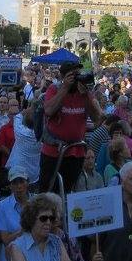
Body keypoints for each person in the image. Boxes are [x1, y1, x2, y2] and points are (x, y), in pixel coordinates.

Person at [39, 62, 102, 194]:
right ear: (63, 76)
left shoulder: (84, 92)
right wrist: (65, 88)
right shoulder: (54, 89)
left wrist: (86, 95)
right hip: (54, 151)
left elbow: (97, 118)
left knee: (68, 189)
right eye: (73, 75)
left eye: (78, 75)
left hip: (76, 151)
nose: (76, 78)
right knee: (48, 189)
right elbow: (49, 111)